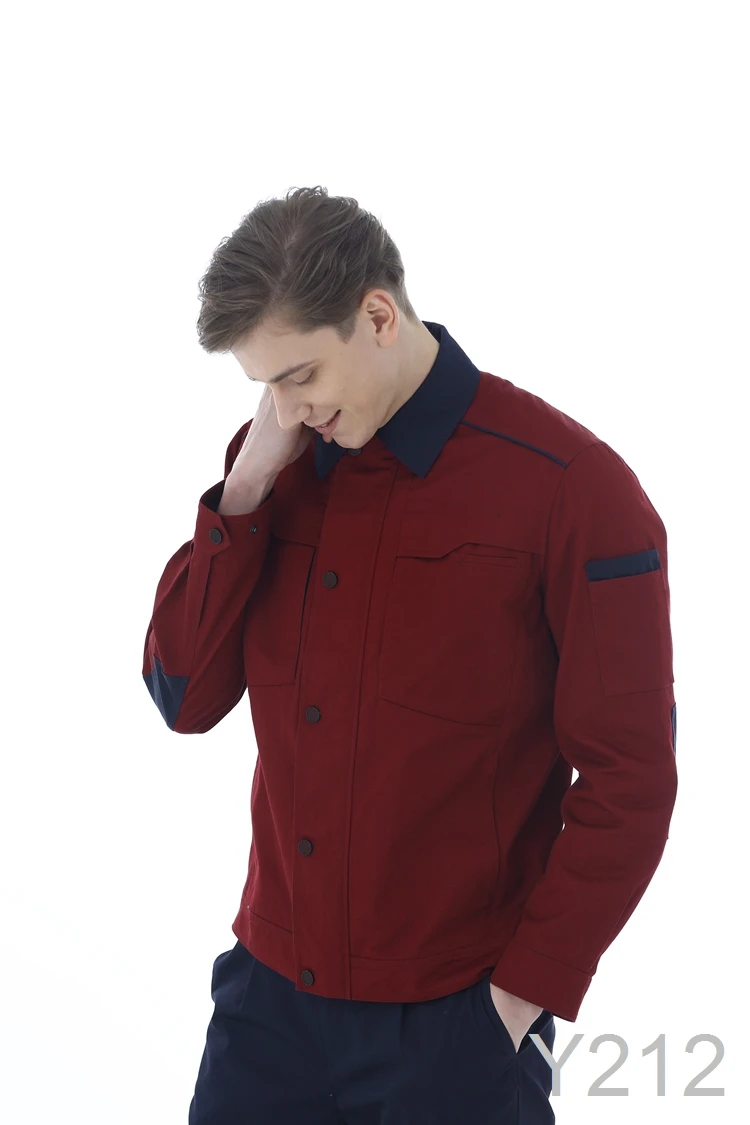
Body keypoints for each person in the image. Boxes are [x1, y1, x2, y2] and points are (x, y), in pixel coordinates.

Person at [143, 186, 678, 1124]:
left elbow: (631, 780)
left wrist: (517, 1001)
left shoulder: (573, 489)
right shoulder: (276, 464)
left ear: (379, 315)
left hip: (456, 1024)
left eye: (300, 374)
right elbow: (182, 695)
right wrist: (245, 489)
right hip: (267, 1011)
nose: (286, 408)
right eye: (263, 386)